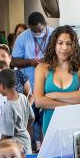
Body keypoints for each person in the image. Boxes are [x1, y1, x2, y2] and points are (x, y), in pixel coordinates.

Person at [33, 26, 80, 136]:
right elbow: (39, 102)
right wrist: (72, 104)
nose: (64, 47)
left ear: (74, 46)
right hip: (51, 127)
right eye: (60, 43)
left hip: (76, 127)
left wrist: (54, 95)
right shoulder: (42, 68)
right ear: (54, 44)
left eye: (68, 43)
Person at [11, 12, 54, 146]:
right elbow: (14, 61)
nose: (37, 33)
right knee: (30, 119)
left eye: (40, 30)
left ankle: (46, 147)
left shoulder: (54, 35)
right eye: (34, 31)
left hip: (50, 86)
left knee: (47, 120)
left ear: (45, 24)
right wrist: (30, 62)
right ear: (29, 28)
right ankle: (30, 148)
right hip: (29, 87)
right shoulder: (22, 38)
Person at [0, 69, 35, 154]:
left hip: (15, 148)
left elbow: (7, 134)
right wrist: (25, 130)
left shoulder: (8, 106)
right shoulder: (23, 97)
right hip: (26, 142)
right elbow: (32, 117)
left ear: (2, 86)